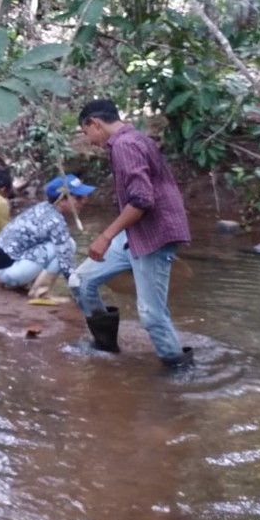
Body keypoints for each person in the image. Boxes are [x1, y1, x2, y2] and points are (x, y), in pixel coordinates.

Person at [72, 98, 193, 368]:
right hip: (136, 232)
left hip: (154, 234)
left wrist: (105, 236)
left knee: (151, 314)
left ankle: (179, 369)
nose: (89, 139)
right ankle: (105, 346)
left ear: (95, 124)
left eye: (86, 132)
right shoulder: (131, 139)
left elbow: (141, 200)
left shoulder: (125, 146)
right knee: (80, 282)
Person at [0, 174, 94, 296]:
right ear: (62, 200)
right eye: (78, 197)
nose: (84, 201)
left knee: (63, 244)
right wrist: (82, 291)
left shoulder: (43, 207)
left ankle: (27, 283)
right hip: (9, 273)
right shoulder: (55, 221)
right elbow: (66, 264)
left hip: (1, 267)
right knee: (68, 246)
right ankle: (39, 293)